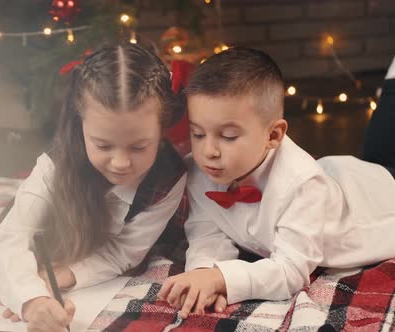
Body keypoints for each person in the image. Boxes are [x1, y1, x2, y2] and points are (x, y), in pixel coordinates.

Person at [157, 47, 395, 319]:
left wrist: (223, 278)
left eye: (229, 136)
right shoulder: (199, 170)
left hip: (379, 198)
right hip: (342, 175)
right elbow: (207, 231)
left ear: (273, 134)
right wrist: (205, 272)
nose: (208, 150)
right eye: (198, 133)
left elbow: (291, 271)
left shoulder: (302, 184)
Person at [0, 43, 189, 332]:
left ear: (162, 129)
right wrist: (31, 300)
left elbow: (125, 252)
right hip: (53, 241)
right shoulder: (55, 164)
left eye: (140, 146)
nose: (120, 163)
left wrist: (69, 273)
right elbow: (10, 238)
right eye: (103, 145)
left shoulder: (170, 177)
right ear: (81, 125)